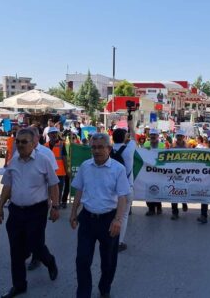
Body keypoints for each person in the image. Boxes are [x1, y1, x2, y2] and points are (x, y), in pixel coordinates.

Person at [0, 128, 60, 298]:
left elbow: (54, 184)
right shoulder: (14, 161)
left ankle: (50, 261)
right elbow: (7, 185)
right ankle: (19, 285)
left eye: (24, 142)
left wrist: (55, 206)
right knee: (15, 250)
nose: (19, 145)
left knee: (36, 245)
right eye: (17, 141)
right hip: (16, 211)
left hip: (36, 211)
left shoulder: (43, 160)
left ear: (33, 144)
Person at [70, 133, 130, 298]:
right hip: (87, 219)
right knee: (82, 260)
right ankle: (83, 294)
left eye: (100, 147)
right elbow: (79, 190)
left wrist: (118, 220)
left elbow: (122, 197)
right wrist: (74, 211)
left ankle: (105, 288)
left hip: (108, 221)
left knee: (108, 262)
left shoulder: (118, 169)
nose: (96, 151)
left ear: (109, 149)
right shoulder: (85, 166)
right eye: (94, 147)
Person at [24, 126, 58, 271]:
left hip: (40, 201)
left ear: (38, 137)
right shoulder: (19, 149)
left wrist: (52, 201)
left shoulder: (46, 153)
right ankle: (27, 252)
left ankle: (38, 257)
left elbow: (53, 179)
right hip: (21, 201)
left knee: (37, 233)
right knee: (23, 232)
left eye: (32, 137)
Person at [111, 117, 136, 252]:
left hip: (110, 188)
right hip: (126, 188)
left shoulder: (107, 150)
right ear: (125, 138)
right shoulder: (129, 149)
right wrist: (131, 125)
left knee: (110, 214)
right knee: (124, 215)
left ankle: (109, 238)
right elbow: (134, 137)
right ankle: (119, 242)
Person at [45, 127, 70, 208]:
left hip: (60, 172)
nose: (54, 135)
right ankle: (48, 204)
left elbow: (64, 159)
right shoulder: (45, 146)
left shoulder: (61, 144)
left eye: (55, 133)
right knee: (48, 190)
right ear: (48, 135)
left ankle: (57, 205)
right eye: (52, 133)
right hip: (48, 172)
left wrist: (67, 171)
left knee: (58, 190)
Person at [143, 129, 164, 216]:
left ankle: (159, 207)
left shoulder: (162, 145)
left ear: (158, 136)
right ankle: (151, 208)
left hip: (159, 170)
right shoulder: (146, 144)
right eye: (151, 135)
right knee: (149, 189)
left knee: (158, 188)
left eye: (154, 135)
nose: (153, 136)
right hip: (148, 170)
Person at [171, 130, 188, 220]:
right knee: (173, 192)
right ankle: (174, 212)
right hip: (174, 172)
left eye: (181, 136)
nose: (179, 137)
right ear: (176, 137)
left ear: (183, 137)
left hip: (184, 172)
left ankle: (184, 202)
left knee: (183, 189)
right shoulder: (172, 146)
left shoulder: (187, 147)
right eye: (178, 136)